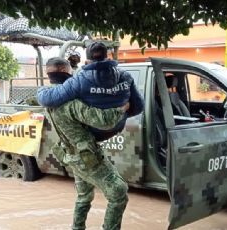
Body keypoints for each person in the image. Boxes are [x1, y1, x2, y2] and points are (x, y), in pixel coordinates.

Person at [43, 57, 130, 230]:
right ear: (62, 70)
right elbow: (103, 121)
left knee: (84, 196)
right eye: (70, 70)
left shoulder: (48, 97)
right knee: (119, 192)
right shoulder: (68, 101)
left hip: (71, 155)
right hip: (86, 158)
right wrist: (123, 108)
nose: (72, 75)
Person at [37, 42, 144, 142]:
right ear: (107, 58)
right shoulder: (125, 76)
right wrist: (120, 113)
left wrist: (42, 89)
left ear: (87, 62)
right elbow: (139, 107)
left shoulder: (79, 80)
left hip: (94, 133)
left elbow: (47, 99)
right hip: (118, 127)